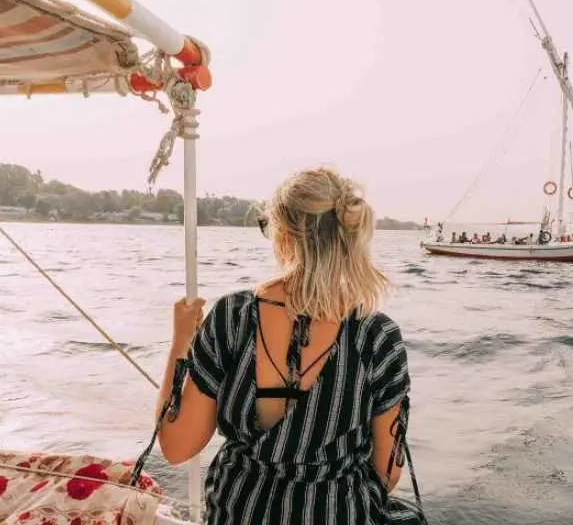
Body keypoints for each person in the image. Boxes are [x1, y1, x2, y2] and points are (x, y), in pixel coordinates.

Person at [157, 166, 422, 524]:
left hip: (239, 512)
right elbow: (387, 473)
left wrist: (181, 341)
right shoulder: (376, 337)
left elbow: (177, 447)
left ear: (282, 233)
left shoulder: (232, 317)